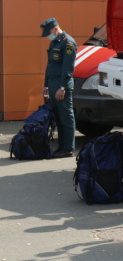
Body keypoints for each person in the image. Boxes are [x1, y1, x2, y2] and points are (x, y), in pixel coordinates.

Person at [41, 18, 77, 158]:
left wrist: (63, 87)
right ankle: (61, 147)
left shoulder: (68, 43)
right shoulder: (54, 42)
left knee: (66, 117)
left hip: (62, 84)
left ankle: (68, 148)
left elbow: (68, 68)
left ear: (55, 29)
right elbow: (50, 65)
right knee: (58, 117)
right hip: (52, 83)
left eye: (48, 32)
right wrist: (46, 84)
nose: (47, 36)